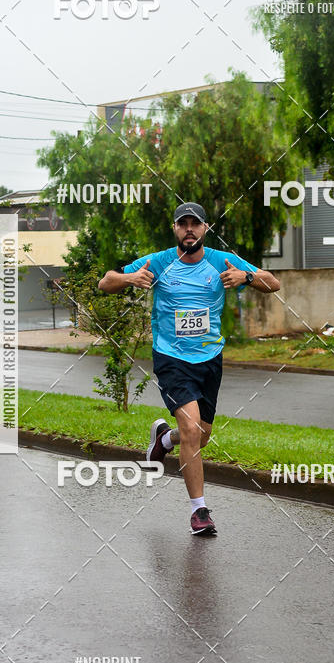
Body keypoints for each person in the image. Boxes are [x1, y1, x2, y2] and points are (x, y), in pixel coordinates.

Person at [98, 202, 280, 536]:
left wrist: (248, 276)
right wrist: (129, 278)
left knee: (202, 436)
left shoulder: (222, 261)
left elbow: (274, 283)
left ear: (205, 228)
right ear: (175, 229)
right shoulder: (159, 261)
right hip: (171, 358)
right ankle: (200, 512)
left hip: (210, 359)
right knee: (194, 430)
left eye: (195, 224)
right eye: (183, 224)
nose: (189, 230)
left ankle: (165, 439)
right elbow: (105, 282)